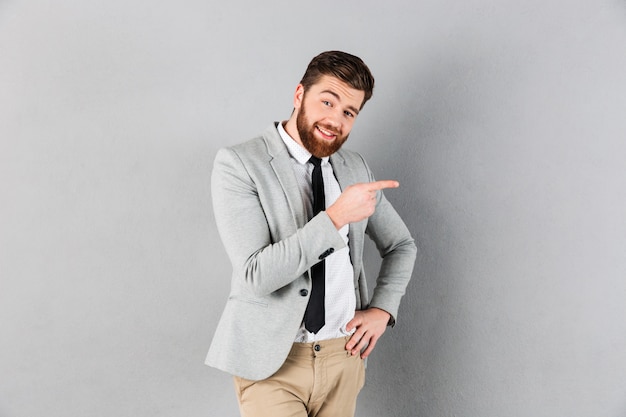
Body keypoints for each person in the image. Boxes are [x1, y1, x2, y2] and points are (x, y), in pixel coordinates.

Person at [205, 50, 417, 417]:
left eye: (349, 112)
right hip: (273, 362)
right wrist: (335, 217)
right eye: (328, 101)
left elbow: (401, 245)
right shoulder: (240, 164)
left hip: (343, 358)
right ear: (299, 95)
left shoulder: (355, 168)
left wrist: (384, 308)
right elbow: (257, 275)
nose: (335, 119)